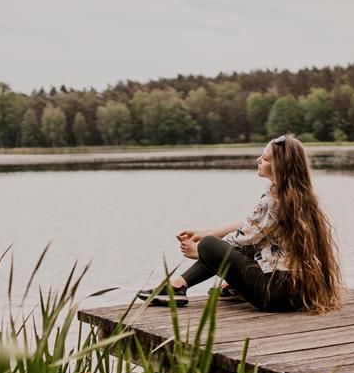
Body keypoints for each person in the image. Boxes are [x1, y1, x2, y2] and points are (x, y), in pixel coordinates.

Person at [136, 134, 342, 313]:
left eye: (265, 158)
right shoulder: (298, 197)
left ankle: (177, 287)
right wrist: (203, 232)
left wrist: (200, 249)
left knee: (211, 245)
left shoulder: (273, 201)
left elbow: (239, 240)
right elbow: (249, 226)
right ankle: (180, 286)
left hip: (273, 294)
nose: (259, 160)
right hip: (298, 292)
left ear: (280, 166)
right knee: (229, 243)